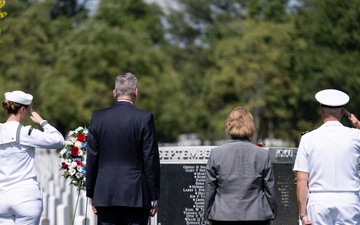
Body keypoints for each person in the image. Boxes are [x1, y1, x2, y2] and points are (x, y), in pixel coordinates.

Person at [86, 72, 161, 225]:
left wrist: (92, 194)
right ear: (136, 92)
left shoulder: (98, 117)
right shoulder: (144, 118)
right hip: (136, 195)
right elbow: (150, 159)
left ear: (114, 93)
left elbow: (92, 157)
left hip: (105, 194)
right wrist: (153, 196)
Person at [293, 89, 360, 225]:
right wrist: (357, 124)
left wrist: (303, 214)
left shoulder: (308, 139)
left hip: (319, 202)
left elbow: (301, 180)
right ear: (342, 113)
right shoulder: (355, 136)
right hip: (349, 201)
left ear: (321, 112)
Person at [0, 90, 66, 225]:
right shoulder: (25, 132)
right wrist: (42, 122)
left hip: (2, 197)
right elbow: (59, 140)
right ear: (23, 109)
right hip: (25, 197)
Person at [204, 107, 277, 225]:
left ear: (229, 125)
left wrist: (208, 213)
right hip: (257, 216)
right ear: (251, 126)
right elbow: (270, 189)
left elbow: (210, 188)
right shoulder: (262, 154)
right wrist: (271, 213)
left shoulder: (216, 154)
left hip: (223, 215)